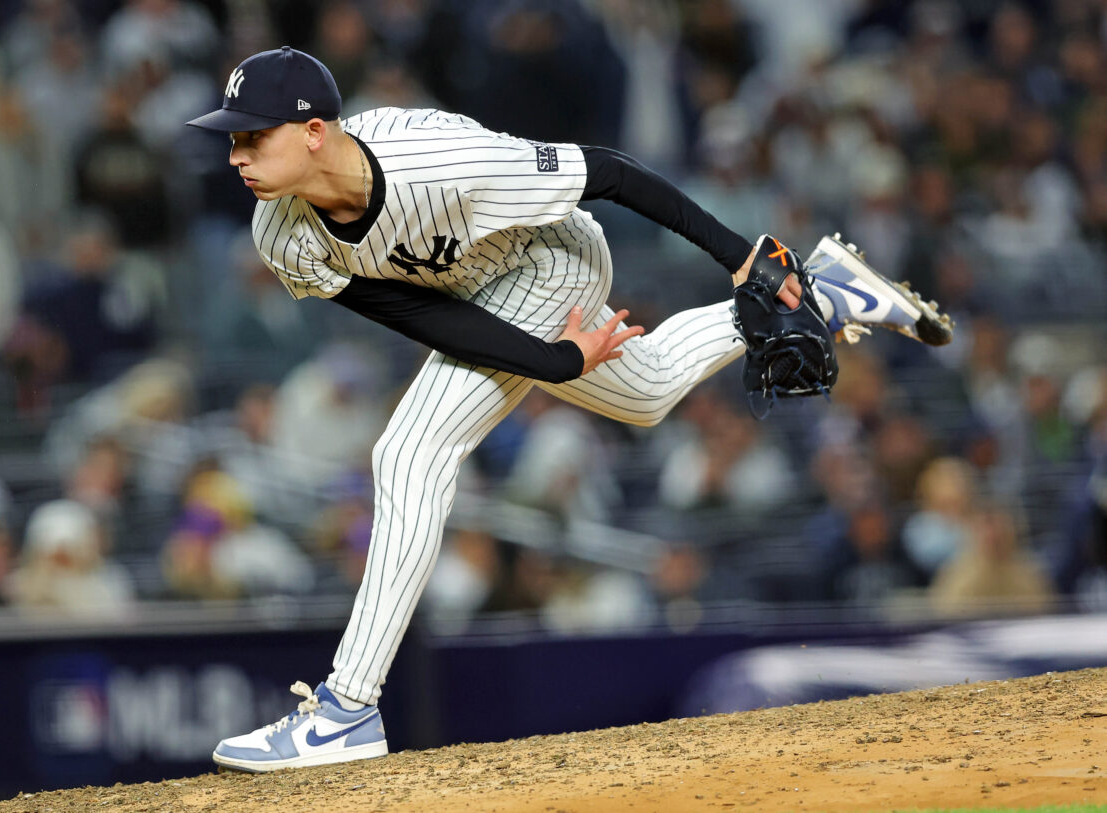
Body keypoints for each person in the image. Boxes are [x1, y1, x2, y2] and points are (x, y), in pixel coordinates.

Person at [186, 46, 952, 772]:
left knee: (409, 452)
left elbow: (613, 174)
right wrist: (555, 361)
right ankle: (826, 289)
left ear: (316, 131)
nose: (236, 156)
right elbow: (416, 315)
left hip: (549, 255)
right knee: (648, 393)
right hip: (473, 296)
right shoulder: (280, 229)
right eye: (232, 139)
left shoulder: (442, 161)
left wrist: (740, 254)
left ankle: (346, 708)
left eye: (253, 136)